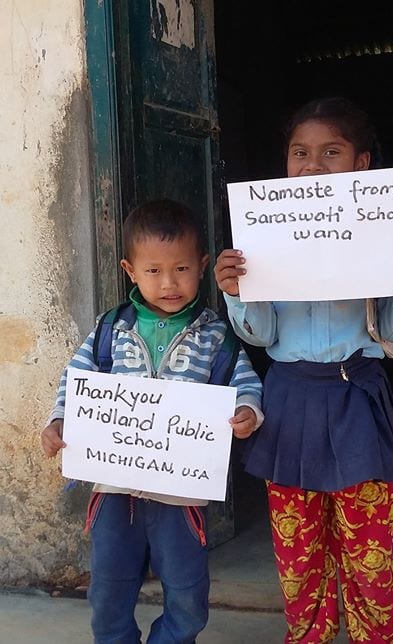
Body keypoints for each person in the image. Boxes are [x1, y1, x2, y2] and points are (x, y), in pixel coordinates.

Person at [214, 97, 393, 643]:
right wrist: (237, 293)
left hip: (355, 396)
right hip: (289, 400)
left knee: (367, 555)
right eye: (299, 153)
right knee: (298, 555)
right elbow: (262, 336)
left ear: (362, 163)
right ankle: (308, 636)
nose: (312, 166)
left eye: (330, 152)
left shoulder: (381, 232)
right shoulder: (264, 236)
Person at [41, 198, 263, 644]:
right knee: (108, 588)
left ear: (201, 266)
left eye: (181, 269)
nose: (168, 283)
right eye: (153, 271)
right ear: (130, 270)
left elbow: (246, 383)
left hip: (180, 495)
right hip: (113, 493)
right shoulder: (109, 329)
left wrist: (247, 413)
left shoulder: (216, 336)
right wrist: (59, 419)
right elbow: (75, 379)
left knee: (186, 591)